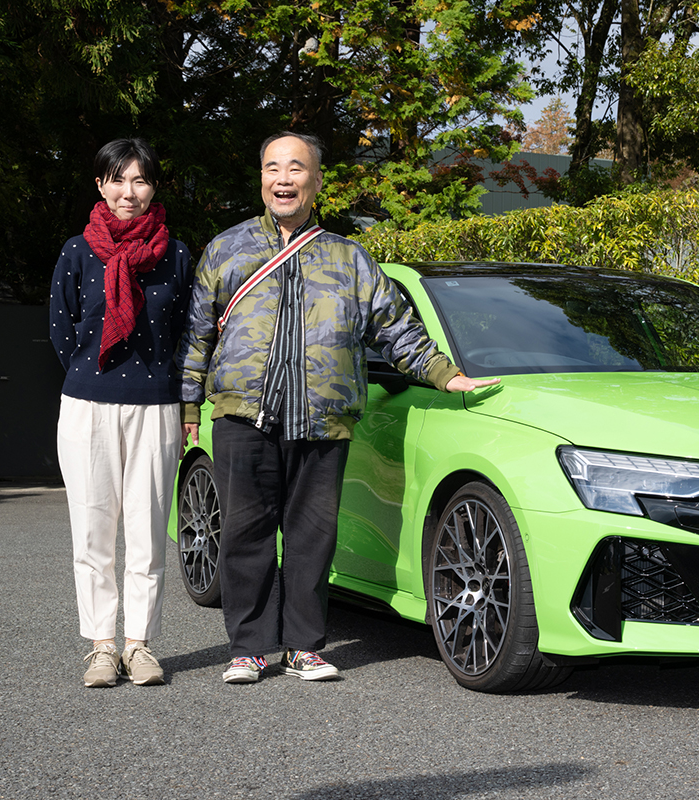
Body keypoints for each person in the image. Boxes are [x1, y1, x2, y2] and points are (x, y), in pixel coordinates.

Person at [177, 131, 499, 684]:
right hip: (242, 414)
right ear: (261, 178)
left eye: (296, 168)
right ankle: (249, 647)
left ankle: (303, 646)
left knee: (312, 536)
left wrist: (446, 375)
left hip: (322, 417)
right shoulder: (226, 249)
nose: (284, 179)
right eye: (273, 168)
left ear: (316, 181)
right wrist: (188, 405)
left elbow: (395, 328)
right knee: (245, 533)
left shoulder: (350, 258)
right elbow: (197, 332)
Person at [50, 138, 194, 687]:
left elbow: (185, 333)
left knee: (147, 532)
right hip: (87, 405)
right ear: (100, 185)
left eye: (140, 180)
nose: (128, 192)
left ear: (154, 187)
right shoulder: (77, 251)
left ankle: (139, 645)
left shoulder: (175, 254)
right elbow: (62, 330)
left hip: (155, 407)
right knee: (91, 533)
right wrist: (93, 375)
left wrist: (180, 396)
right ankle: (101, 647)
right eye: (117, 179)